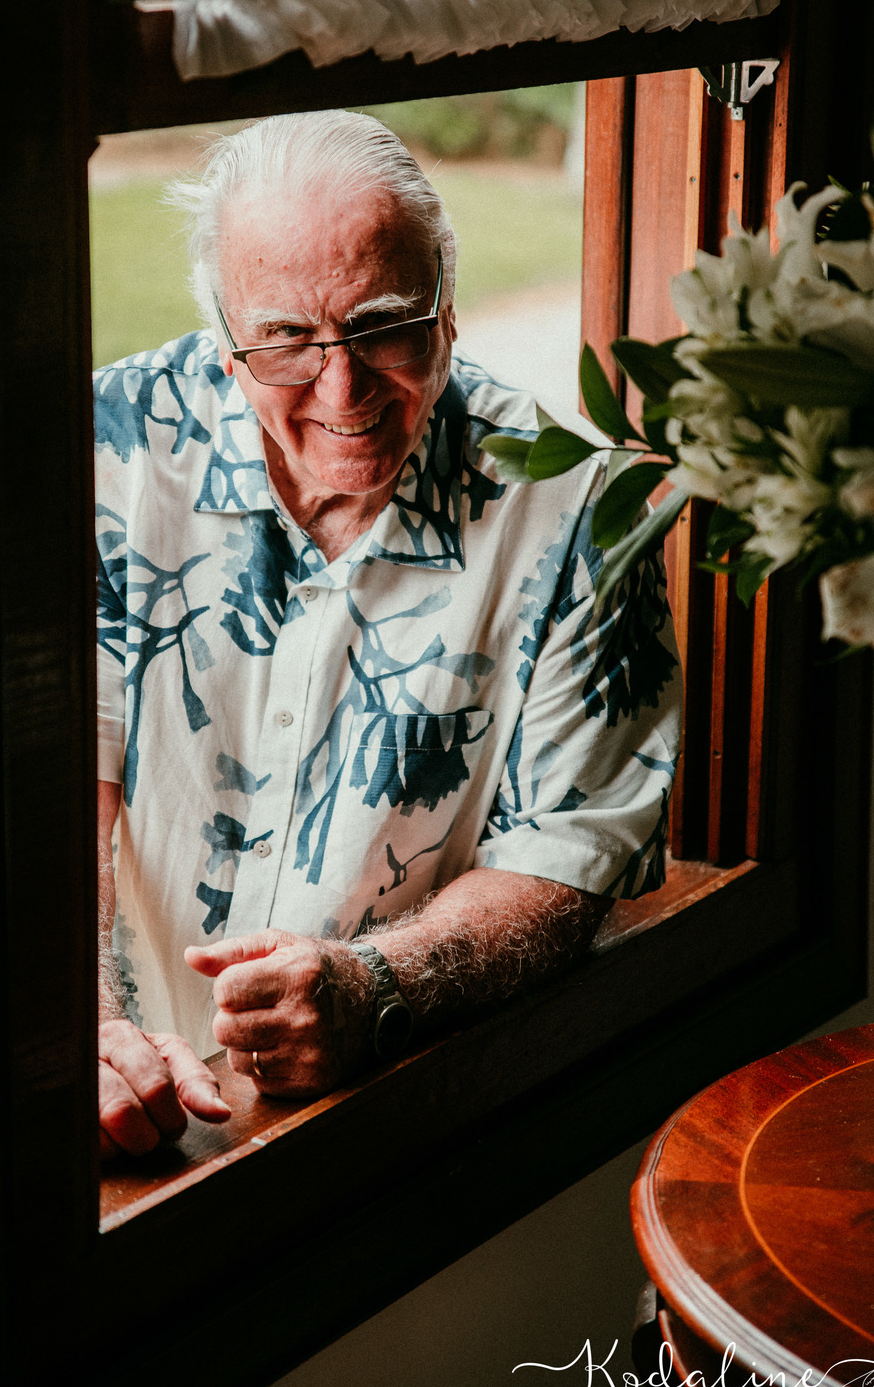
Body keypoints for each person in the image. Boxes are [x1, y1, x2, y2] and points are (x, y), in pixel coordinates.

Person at [94, 110, 680, 1159]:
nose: (342, 387)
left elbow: (563, 856)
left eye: (384, 325)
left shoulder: (584, 513)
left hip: (410, 1119)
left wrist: (377, 987)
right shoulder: (107, 452)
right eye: (284, 337)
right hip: (132, 1122)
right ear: (225, 344)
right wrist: (80, 1024)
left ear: (446, 312)